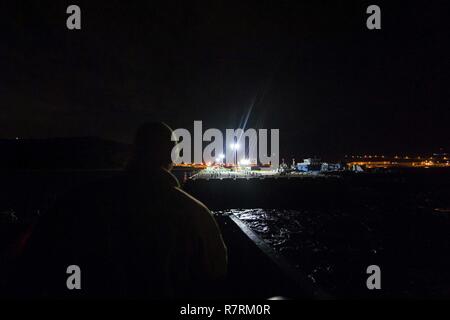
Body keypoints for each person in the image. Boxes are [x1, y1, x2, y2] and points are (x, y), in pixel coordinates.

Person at [13, 122, 227, 298]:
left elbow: (33, 261)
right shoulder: (194, 212)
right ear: (172, 156)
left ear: (134, 152)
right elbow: (216, 271)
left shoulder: (81, 200)